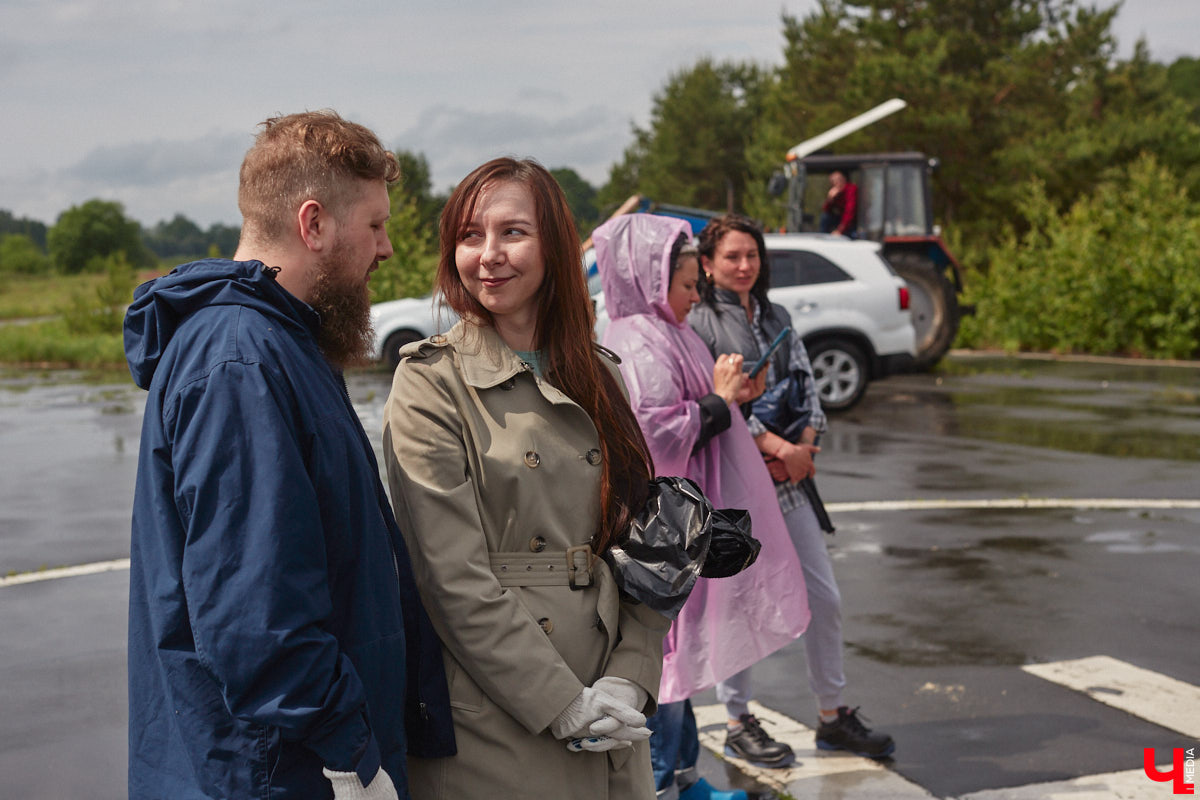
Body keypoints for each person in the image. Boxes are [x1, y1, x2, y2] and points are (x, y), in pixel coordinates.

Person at [123, 110, 454, 800]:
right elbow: (254, 613)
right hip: (276, 772)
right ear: (314, 225)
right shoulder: (239, 359)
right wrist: (352, 755)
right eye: (375, 225)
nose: (387, 248)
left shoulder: (284, 343)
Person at [381, 157, 672, 799]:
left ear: (556, 246)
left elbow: (640, 548)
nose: (488, 255)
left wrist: (631, 673)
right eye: (469, 235)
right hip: (502, 708)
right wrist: (560, 701)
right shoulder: (431, 383)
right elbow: (448, 576)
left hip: (609, 702)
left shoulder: (601, 375)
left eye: (513, 232)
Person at [594, 212, 812, 800]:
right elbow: (657, 433)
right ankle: (665, 783)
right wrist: (718, 400)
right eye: (688, 285)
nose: (695, 296)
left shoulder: (665, 329)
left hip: (677, 526)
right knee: (663, 659)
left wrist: (727, 395)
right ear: (647, 277)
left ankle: (685, 777)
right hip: (657, 530)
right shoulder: (638, 342)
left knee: (678, 655)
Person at [689, 214, 895, 761]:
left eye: (751, 255)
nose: (744, 266)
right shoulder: (701, 323)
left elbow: (806, 382)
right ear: (707, 265)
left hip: (789, 484)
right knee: (737, 604)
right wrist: (780, 450)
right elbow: (722, 404)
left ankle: (832, 714)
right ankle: (737, 720)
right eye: (731, 257)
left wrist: (804, 445)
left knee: (823, 599)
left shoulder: (776, 314)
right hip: (735, 483)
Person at [819, 170, 858, 237]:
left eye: (837, 180)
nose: (835, 184)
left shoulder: (851, 189)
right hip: (841, 218)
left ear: (843, 180)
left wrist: (839, 230)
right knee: (825, 216)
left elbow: (849, 212)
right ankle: (823, 236)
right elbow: (826, 210)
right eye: (832, 182)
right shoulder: (836, 193)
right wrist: (830, 199)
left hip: (853, 221)